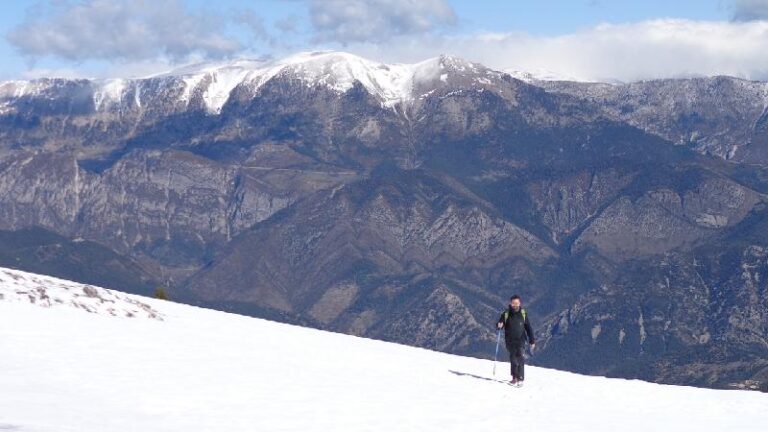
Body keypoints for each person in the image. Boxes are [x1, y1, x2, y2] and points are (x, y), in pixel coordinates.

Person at [497, 295, 535, 387]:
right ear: (510, 303)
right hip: (509, 341)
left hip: (521, 340)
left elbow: (528, 327)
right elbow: (500, 324)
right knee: (513, 358)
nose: (515, 305)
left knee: (520, 357)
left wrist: (532, 340)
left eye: (517, 303)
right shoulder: (506, 314)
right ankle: (514, 377)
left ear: (519, 303)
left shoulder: (523, 313)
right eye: (513, 303)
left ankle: (520, 378)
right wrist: (499, 325)